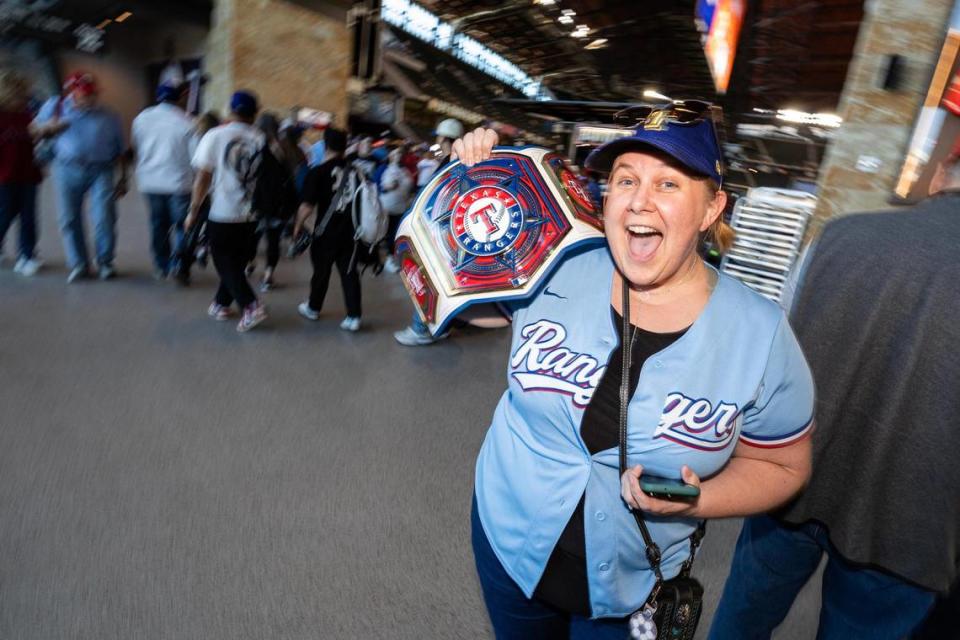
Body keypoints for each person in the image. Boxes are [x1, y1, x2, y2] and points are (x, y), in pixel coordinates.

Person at [453, 104, 815, 638]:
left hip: (634, 585)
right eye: (626, 179)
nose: (639, 200)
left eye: (668, 183)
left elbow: (784, 466)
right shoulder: (557, 262)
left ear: (712, 207)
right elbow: (471, 307)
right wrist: (471, 185)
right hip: (507, 544)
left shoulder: (759, 335)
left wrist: (698, 499)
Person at [708, 139, 960, 640]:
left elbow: (777, 343)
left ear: (939, 176)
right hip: (910, 522)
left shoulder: (840, 235)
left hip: (795, 478)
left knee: (741, 620)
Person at [185, 90, 267, 333]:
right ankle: (221, 303)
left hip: (223, 211)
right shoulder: (261, 138)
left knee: (224, 261)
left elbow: (202, 177)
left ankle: (251, 305)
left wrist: (193, 211)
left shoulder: (215, 135)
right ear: (255, 113)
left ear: (231, 110)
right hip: (252, 213)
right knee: (236, 261)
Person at [35, 72, 127, 282]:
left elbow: (121, 149)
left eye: (92, 93)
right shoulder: (54, 106)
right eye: (84, 94)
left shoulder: (109, 115)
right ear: (72, 92)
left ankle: (105, 262)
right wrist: (50, 127)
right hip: (66, 168)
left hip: (101, 169)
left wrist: (123, 178)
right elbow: (34, 130)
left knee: (104, 217)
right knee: (68, 217)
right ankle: (79, 264)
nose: (90, 98)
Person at [393, 117, 464, 345]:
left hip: (443, 232)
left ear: (444, 138)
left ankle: (421, 328)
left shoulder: (451, 162)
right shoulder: (459, 160)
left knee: (426, 278)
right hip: (454, 232)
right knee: (443, 282)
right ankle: (441, 326)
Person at [292, 127, 363, 331]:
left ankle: (313, 308)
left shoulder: (318, 172)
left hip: (325, 232)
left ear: (325, 145)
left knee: (321, 272)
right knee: (349, 273)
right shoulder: (357, 171)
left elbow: (306, 206)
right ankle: (354, 316)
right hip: (352, 232)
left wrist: (297, 226)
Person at [131, 82, 195, 280]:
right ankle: (181, 264)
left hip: (149, 180)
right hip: (179, 182)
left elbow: (136, 146)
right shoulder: (188, 122)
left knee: (158, 224)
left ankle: (162, 265)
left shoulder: (141, 118)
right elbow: (195, 157)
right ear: (181, 97)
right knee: (183, 225)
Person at [0, 67, 44, 276]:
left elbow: (33, 137)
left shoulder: (26, 115)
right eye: (17, 93)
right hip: (4, 177)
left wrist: (43, 132)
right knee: (4, 215)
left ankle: (27, 256)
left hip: (28, 174)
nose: (23, 98)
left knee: (28, 218)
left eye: (23, 93)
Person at [250, 111, 298, 292]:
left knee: (252, 236)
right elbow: (291, 174)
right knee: (273, 240)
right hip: (278, 202)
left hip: (257, 201)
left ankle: (250, 263)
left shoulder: (254, 144)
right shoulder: (284, 148)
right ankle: (269, 275)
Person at [379, 146, 413, 273]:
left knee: (397, 234)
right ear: (390, 156)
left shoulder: (405, 170)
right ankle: (388, 259)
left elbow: (410, 185)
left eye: (400, 153)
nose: (398, 156)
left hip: (401, 208)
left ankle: (395, 258)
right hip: (387, 208)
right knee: (388, 235)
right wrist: (387, 187)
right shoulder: (384, 168)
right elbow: (375, 185)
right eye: (395, 153)